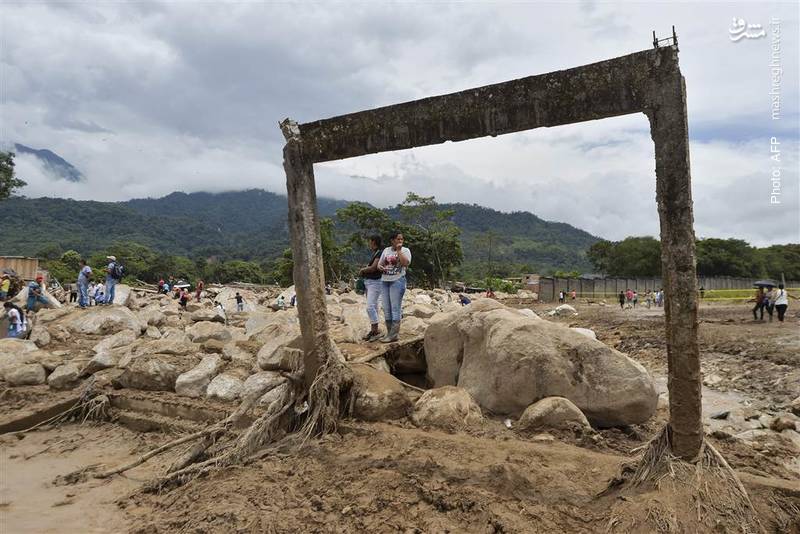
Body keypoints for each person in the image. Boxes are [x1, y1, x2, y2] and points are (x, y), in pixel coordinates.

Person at [378, 231, 411, 343]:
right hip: (385, 280)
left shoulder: (405, 250)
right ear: (392, 240)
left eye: (402, 239)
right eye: (398, 239)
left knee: (395, 307)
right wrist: (380, 267)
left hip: (397, 280)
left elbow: (406, 263)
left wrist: (399, 251)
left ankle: (394, 334)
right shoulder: (386, 250)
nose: (400, 241)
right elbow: (380, 263)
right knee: (386, 308)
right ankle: (390, 333)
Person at [359, 235, 384, 341]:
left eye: (370, 242)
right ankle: (374, 329)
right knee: (374, 306)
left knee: (370, 307)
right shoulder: (376, 253)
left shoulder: (379, 253)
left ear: (374, 242)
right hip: (371, 283)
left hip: (375, 283)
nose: (369, 244)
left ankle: (375, 331)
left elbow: (374, 268)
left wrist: (363, 270)